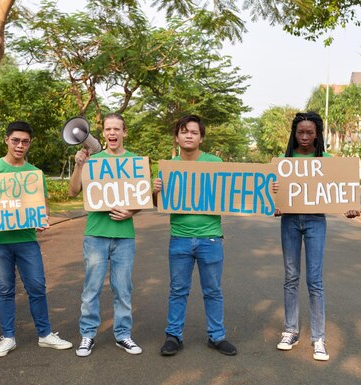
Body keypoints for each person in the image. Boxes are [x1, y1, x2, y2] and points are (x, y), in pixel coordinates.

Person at [0, 121, 72, 358]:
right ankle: (7, 337)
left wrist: (43, 220)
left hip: (27, 240)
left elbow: (43, 209)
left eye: (25, 141)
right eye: (15, 140)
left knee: (36, 287)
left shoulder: (34, 174)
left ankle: (45, 334)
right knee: (4, 289)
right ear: (6, 140)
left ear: (29, 144)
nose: (20, 145)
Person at [274, 112, 361, 361]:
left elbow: (341, 192)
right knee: (291, 277)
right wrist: (274, 200)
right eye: (300, 132)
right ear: (294, 133)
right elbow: (272, 194)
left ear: (317, 134)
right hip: (290, 220)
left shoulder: (327, 160)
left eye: (309, 132)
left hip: (315, 221)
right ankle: (290, 330)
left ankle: (318, 337)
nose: (304, 137)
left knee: (315, 280)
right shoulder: (284, 161)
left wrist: (350, 206)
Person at [153, 114, 237, 357]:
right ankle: (173, 336)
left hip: (210, 238)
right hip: (179, 237)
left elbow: (234, 192)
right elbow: (159, 203)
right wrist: (156, 191)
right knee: (178, 289)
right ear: (177, 136)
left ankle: (217, 336)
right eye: (184, 131)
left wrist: (267, 187)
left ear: (201, 138)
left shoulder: (215, 163)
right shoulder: (167, 167)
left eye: (194, 132)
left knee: (213, 290)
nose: (188, 135)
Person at [68, 113, 142, 357]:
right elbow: (72, 191)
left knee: (123, 289)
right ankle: (87, 335)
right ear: (104, 133)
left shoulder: (135, 161)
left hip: (124, 236)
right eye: (108, 129)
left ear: (124, 132)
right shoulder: (92, 160)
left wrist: (131, 212)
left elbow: (141, 197)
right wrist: (79, 165)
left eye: (117, 129)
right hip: (96, 234)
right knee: (92, 288)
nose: (112, 133)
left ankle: (123, 335)